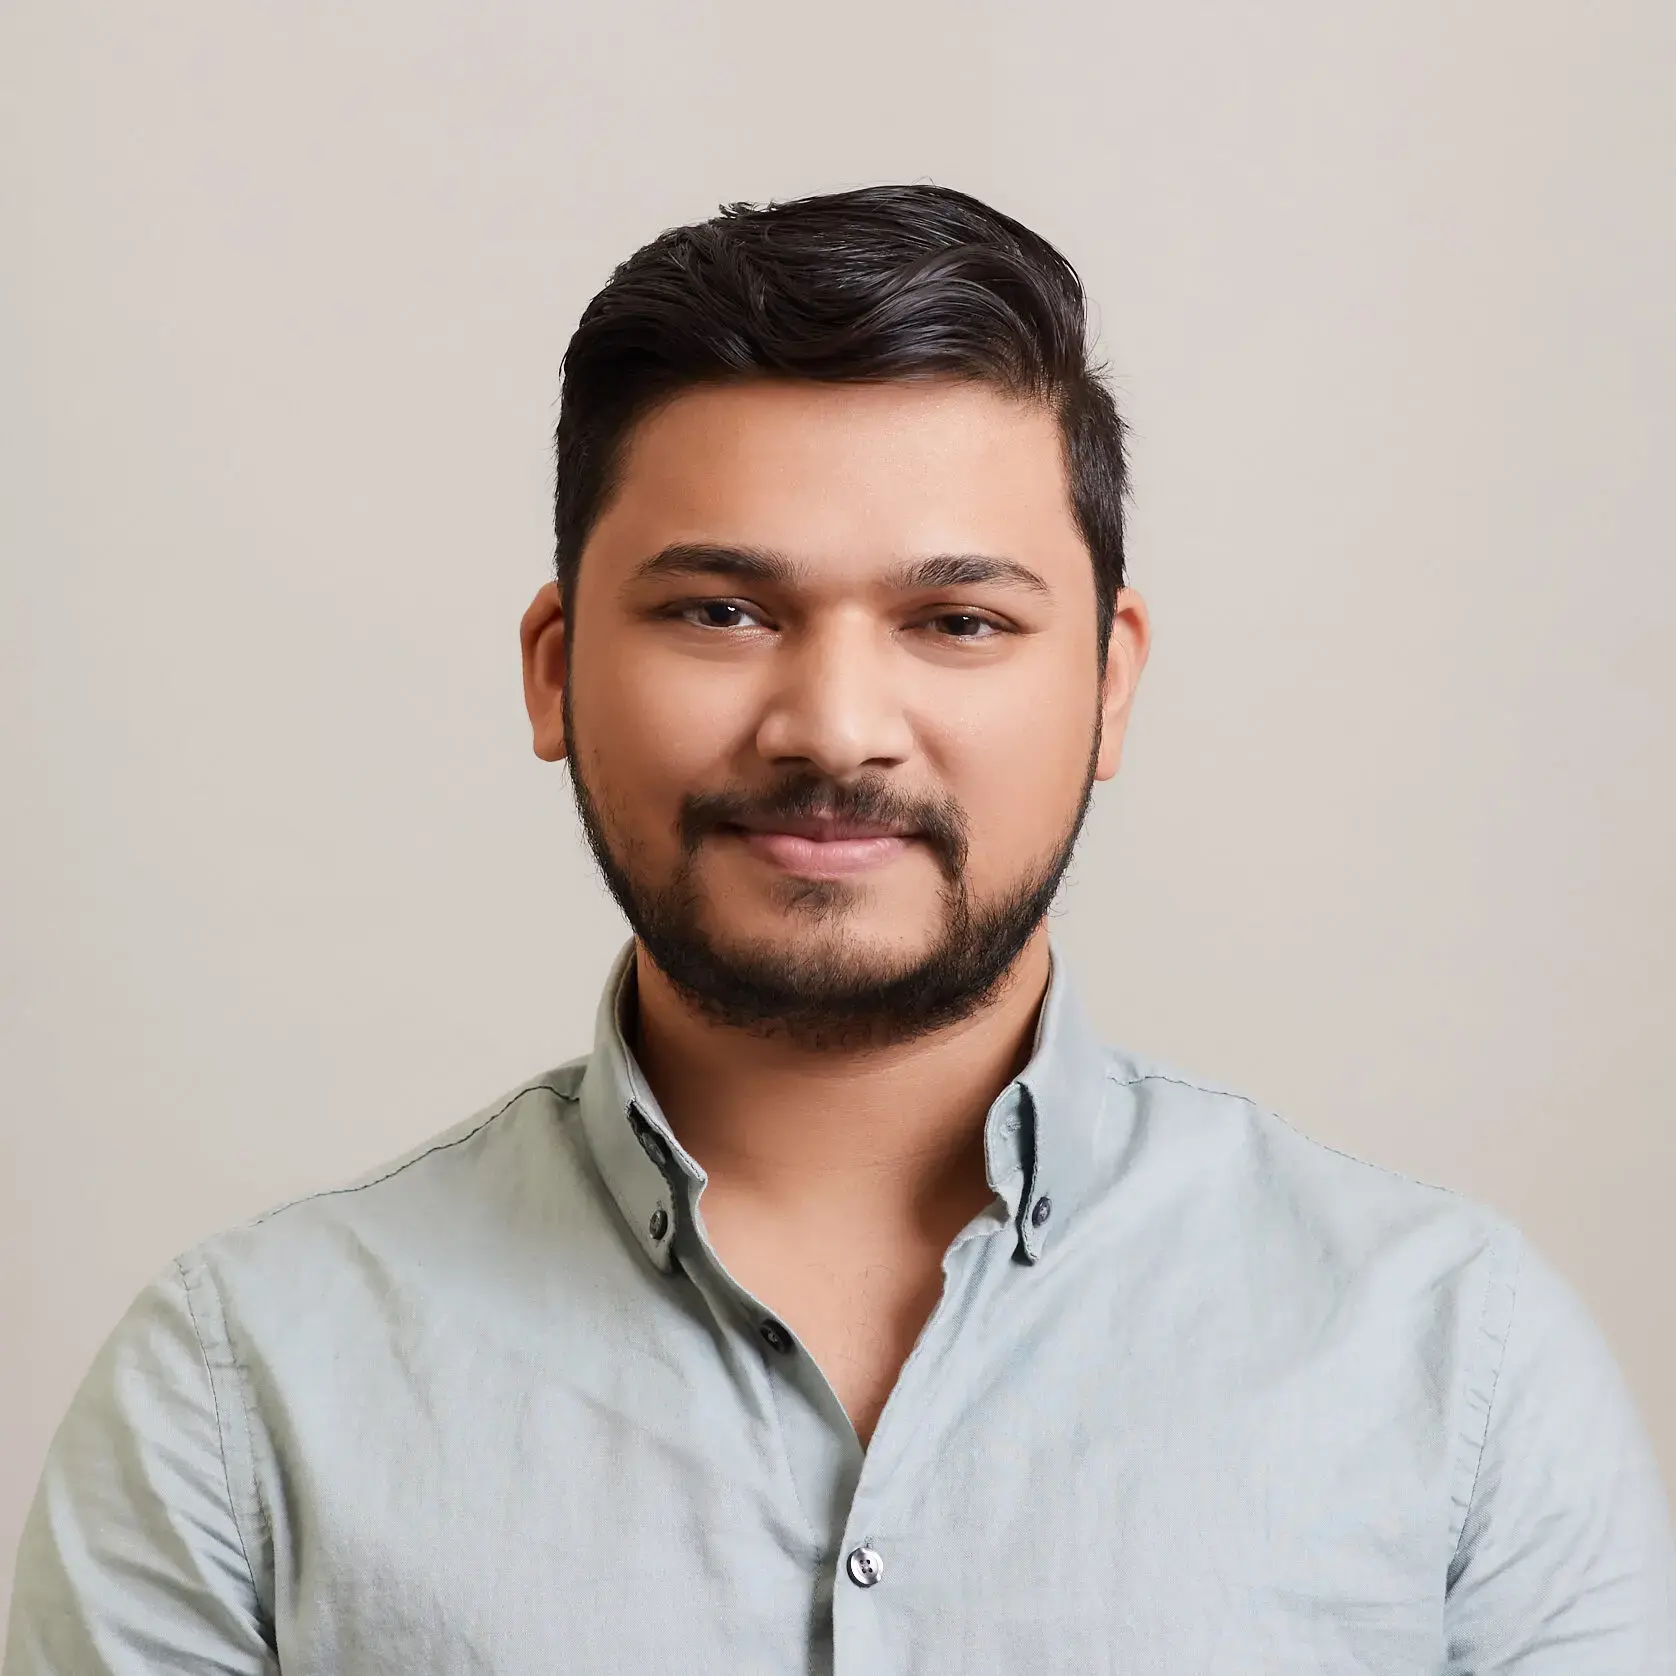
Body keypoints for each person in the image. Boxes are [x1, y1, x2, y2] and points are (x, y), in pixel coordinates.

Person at [5, 184, 1672, 1676]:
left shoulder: (1455, 1362)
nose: (834, 726)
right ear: (553, 666)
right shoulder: (239, 1397)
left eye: (958, 619)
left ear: (1109, 682)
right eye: (721, 611)